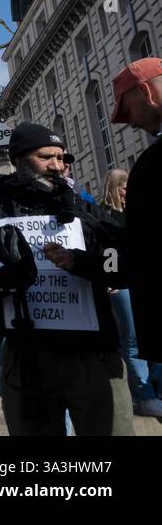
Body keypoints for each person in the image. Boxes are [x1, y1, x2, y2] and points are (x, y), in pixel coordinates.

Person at [0, 123, 133, 436]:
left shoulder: (81, 206)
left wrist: (81, 262)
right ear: (20, 159)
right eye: (46, 157)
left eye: (61, 157)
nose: (57, 165)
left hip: (91, 353)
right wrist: (4, 278)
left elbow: (121, 261)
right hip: (28, 356)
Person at [110, 58, 162, 366]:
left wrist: (86, 260)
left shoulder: (153, 164)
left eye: (128, 110)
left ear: (146, 91)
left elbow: (140, 248)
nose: (131, 122)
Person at [101, 167, 162, 417]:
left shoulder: (140, 209)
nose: (129, 190)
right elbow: (108, 249)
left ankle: (156, 389)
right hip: (123, 284)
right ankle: (144, 396)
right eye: (125, 185)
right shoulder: (108, 215)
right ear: (116, 188)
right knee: (133, 339)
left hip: (147, 279)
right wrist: (110, 278)